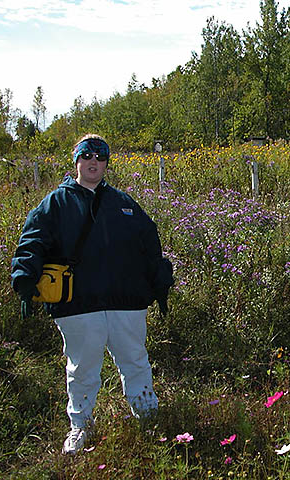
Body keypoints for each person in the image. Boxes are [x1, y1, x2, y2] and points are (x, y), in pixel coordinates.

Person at [11, 134, 173, 454]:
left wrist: (160, 283)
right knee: (82, 368)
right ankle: (80, 426)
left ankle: (148, 419)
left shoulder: (124, 203)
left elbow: (150, 246)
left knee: (136, 361)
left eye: (100, 156)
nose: (93, 161)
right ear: (77, 161)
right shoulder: (56, 203)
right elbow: (32, 243)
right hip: (77, 304)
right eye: (87, 156)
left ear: (106, 163)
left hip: (126, 303)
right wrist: (24, 280)